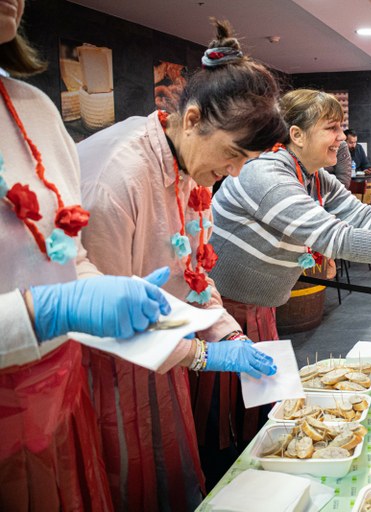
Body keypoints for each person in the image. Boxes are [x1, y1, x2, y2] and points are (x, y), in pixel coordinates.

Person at [77, 20, 285, 510]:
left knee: (171, 476)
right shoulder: (118, 178)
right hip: (108, 366)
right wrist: (200, 355)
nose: (234, 172)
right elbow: (99, 314)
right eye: (233, 154)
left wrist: (226, 334)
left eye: (247, 161)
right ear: (192, 119)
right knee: (127, 479)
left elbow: (193, 271)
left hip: (165, 351)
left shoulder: (187, 163)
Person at [0, 3, 172, 509]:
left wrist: (96, 285)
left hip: (59, 389)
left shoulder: (33, 106)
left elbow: (65, 251)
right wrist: (47, 310)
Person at [209, 89, 371, 322]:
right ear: (297, 135)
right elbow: (337, 238)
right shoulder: (267, 175)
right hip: (220, 306)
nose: (342, 137)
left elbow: (364, 217)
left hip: (255, 305)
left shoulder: (313, 176)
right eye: (332, 128)